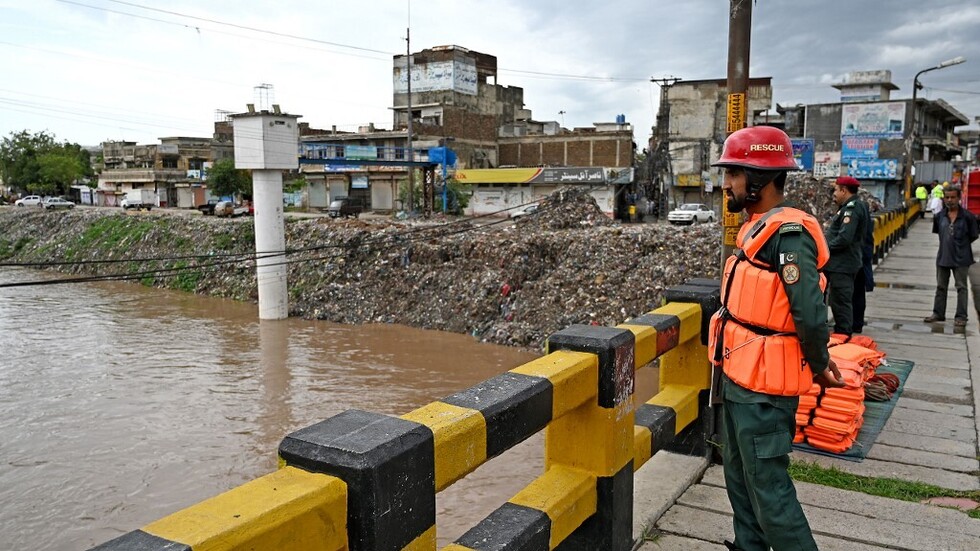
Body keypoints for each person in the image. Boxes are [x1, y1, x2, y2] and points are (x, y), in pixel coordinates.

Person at [709, 126, 844, 551]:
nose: (726, 183)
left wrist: (819, 363)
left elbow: (809, 311)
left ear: (760, 180)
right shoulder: (757, 228)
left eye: (733, 173)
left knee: (770, 490)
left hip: (764, 390)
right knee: (740, 478)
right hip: (739, 376)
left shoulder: (789, 236)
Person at [924, 186, 979, 327]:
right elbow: (940, 233)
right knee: (941, 286)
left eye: (953, 197)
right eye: (947, 197)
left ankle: (961, 316)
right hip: (943, 256)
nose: (950, 200)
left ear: (959, 198)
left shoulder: (968, 217)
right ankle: (938, 313)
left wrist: (960, 244)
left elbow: (973, 235)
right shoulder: (939, 216)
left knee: (961, 287)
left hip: (962, 258)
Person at [824, 176, 871, 337]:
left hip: (842, 264)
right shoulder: (850, 207)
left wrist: (824, 248)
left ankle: (843, 334)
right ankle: (842, 330)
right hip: (840, 263)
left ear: (844, 190)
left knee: (840, 300)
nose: (834, 194)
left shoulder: (852, 209)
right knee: (838, 299)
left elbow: (844, 238)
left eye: (836, 190)